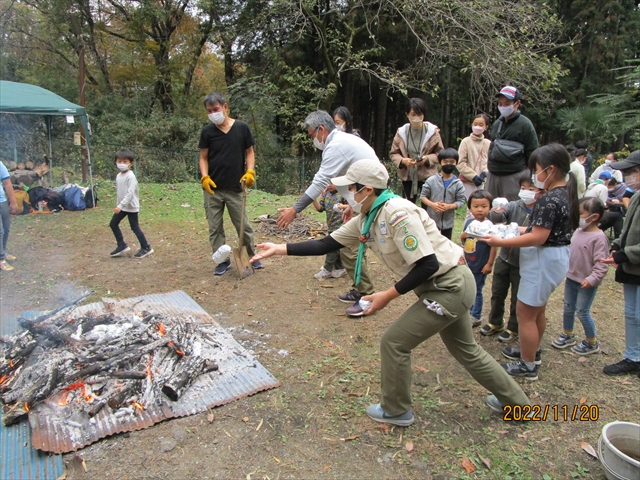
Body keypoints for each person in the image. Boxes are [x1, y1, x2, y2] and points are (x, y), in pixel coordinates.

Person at [250, 159, 531, 425]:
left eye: (350, 187)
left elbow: (427, 264)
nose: (346, 192)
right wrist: (279, 249)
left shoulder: (397, 213)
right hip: (444, 284)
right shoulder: (368, 215)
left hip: (449, 286)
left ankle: (395, 410)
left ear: (367, 190)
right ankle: (518, 404)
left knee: (394, 342)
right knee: (466, 349)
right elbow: (326, 244)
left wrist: (386, 295)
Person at [481, 144, 579, 381]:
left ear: (550, 169)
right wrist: (514, 228)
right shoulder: (565, 194)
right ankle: (531, 351)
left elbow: (539, 236)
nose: (534, 175)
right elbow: (542, 229)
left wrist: (501, 241)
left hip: (542, 259)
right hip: (555, 257)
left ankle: (528, 365)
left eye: (535, 169)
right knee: (537, 310)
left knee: (525, 313)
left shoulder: (548, 199)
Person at [276, 110, 378, 316]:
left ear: (321, 129)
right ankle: (360, 290)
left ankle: (366, 297)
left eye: (311, 134)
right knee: (348, 248)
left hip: (373, 199)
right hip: (364, 198)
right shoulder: (341, 142)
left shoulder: (336, 146)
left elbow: (321, 181)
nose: (312, 139)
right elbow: (355, 175)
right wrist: (353, 205)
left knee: (350, 249)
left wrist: (294, 210)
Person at [198, 92, 260, 275]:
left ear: (225, 107)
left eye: (216, 109)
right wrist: (204, 177)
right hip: (213, 189)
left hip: (235, 188)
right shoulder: (207, 132)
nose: (213, 113)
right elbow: (203, 157)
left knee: (244, 226)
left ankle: (251, 257)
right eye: (209, 111)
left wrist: (250, 171)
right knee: (215, 228)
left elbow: (249, 152)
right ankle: (222, 261)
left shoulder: (241, 128)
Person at [481, 178, 541, 341]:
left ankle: (513, 327)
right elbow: (496, 218)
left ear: (541, 191)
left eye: (532, 188)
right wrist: (496, 211)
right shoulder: (514, 205)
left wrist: (518, 229)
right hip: (504, 257)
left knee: (517, 296)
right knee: (497, 292)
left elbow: (537, 234)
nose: (526, 191)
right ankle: (495, 322)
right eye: (523, 187)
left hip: (523, 262)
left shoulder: (541, 211)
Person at [552, 197, 609, 355]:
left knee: (582, 311)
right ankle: (568, 334)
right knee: (568, 308)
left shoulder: (599, 238)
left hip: (586, 282)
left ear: (594, 217)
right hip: (571, 278)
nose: (576, 216)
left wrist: (592, 279)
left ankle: (592, 342)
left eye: (580, 213)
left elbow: (602, 264)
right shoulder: (577, 231)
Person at [601, 150, 640, 376]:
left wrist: (624, 254)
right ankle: (632, 356)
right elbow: (627, 230)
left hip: (633, 260)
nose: (628, 177)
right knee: (631, 313)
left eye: (632, 172)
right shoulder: (634, 197)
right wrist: (617, 246)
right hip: (631, 267)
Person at [485, 86, 539, 202]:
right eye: (500, 104)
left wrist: (529, 180)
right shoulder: (497, 124)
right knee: (491, 210)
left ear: (517, 103)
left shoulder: (525, 125)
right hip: (493, 176)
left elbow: (533, 153)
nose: (503, 107)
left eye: (507, 103)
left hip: (514, 177)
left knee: (511, 210)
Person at [390, 98, 444, 204]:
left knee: (428, 207)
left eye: (419, 114)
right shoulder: (401, 132)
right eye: (413, 114)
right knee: (407, 206)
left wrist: (426, 159)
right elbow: (393, 153)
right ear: (407, 114)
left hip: (428, 175)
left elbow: (440, 153)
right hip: (408, 175)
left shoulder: (432, 132)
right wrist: (403, 161)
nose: (417, 118)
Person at [461, 190, 497, 327]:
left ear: (490, 207)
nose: (480, 210)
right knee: (467, 288)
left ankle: (476, 316)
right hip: (468, 262)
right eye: (476, 206)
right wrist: (463, 237)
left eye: (484, 206)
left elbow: (494, 246)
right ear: (470, 208)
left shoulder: (490, 226)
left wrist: (489, 263)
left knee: (477, 290)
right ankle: (467, 311)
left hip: (480, 264)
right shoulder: (469, 223)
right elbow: (463, 240)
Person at [109, 149, 154, 259]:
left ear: (131, 163)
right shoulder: (119, 176)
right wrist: (118, 204)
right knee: (113, 224)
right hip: (123, 206)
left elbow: (130, 194)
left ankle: (146, 247)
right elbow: (120, 192)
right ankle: (121, 245)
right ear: (115, 162)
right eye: (119, 161)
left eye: (125, 162)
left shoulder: (131, 176)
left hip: (131, 206)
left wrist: (120, 206)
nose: (122, 164)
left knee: (134, 227)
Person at [419, 148, 466, 239]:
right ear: (440, 163)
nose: (449, 164)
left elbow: (461, 201)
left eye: (452, 162)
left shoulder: (458, 183)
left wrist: (450, 206)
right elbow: (423, 196)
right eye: (445, 162)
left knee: (446, 244)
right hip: (432, 220)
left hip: (448, 222)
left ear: (456, 163)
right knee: (431, 242)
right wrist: (432, 205)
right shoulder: (431, 180)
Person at [312, 183, 347, 279]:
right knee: (336, 247)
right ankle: (340, 268)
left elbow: (353, 206)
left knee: (331, 247)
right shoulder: (325, 194)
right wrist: (313, 199)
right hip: (331, 226)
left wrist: (343, 206)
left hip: (342, 226)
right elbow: (320, 208)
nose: (329, 185)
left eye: (331, 183)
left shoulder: (344, 193)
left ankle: (327, 269)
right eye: (327, 183)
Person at [457, 113, 491, 201]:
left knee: (482, 205)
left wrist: (485, 173)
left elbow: (489, 161)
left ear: (486, 127)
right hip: (468, 182)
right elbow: (460, 163)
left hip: (483, 181)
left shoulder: (488, 143)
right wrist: (473, 176)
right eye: (475, 124)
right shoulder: (466, 142)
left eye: (481, 125)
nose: (477, 127)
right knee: (471, 207)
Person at [0, 161, 19, 271]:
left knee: (6, 228)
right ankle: (1, 259)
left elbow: (7, 183)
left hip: (1, 201)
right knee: (0, 231)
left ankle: (2, 251)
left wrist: (13, 202)